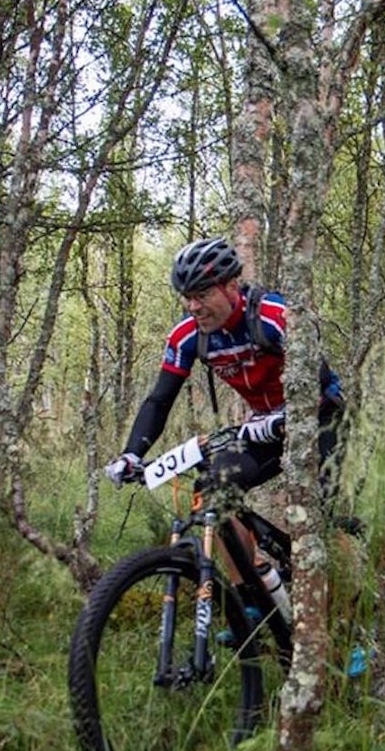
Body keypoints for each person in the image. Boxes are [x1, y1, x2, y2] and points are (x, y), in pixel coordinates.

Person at [104, 237, 346, 616]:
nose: (193, 306)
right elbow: (159, 399)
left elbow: (319, 379)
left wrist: (283, 418)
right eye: (187, 297)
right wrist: (133, 453)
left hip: (320, 418)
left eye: (201, 295)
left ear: (232, 286)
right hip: (263, 428)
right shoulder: (189, 336)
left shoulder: (274, 315)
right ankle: (253, 598)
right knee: (213, 489)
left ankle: (345, 621)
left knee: (321, 519)